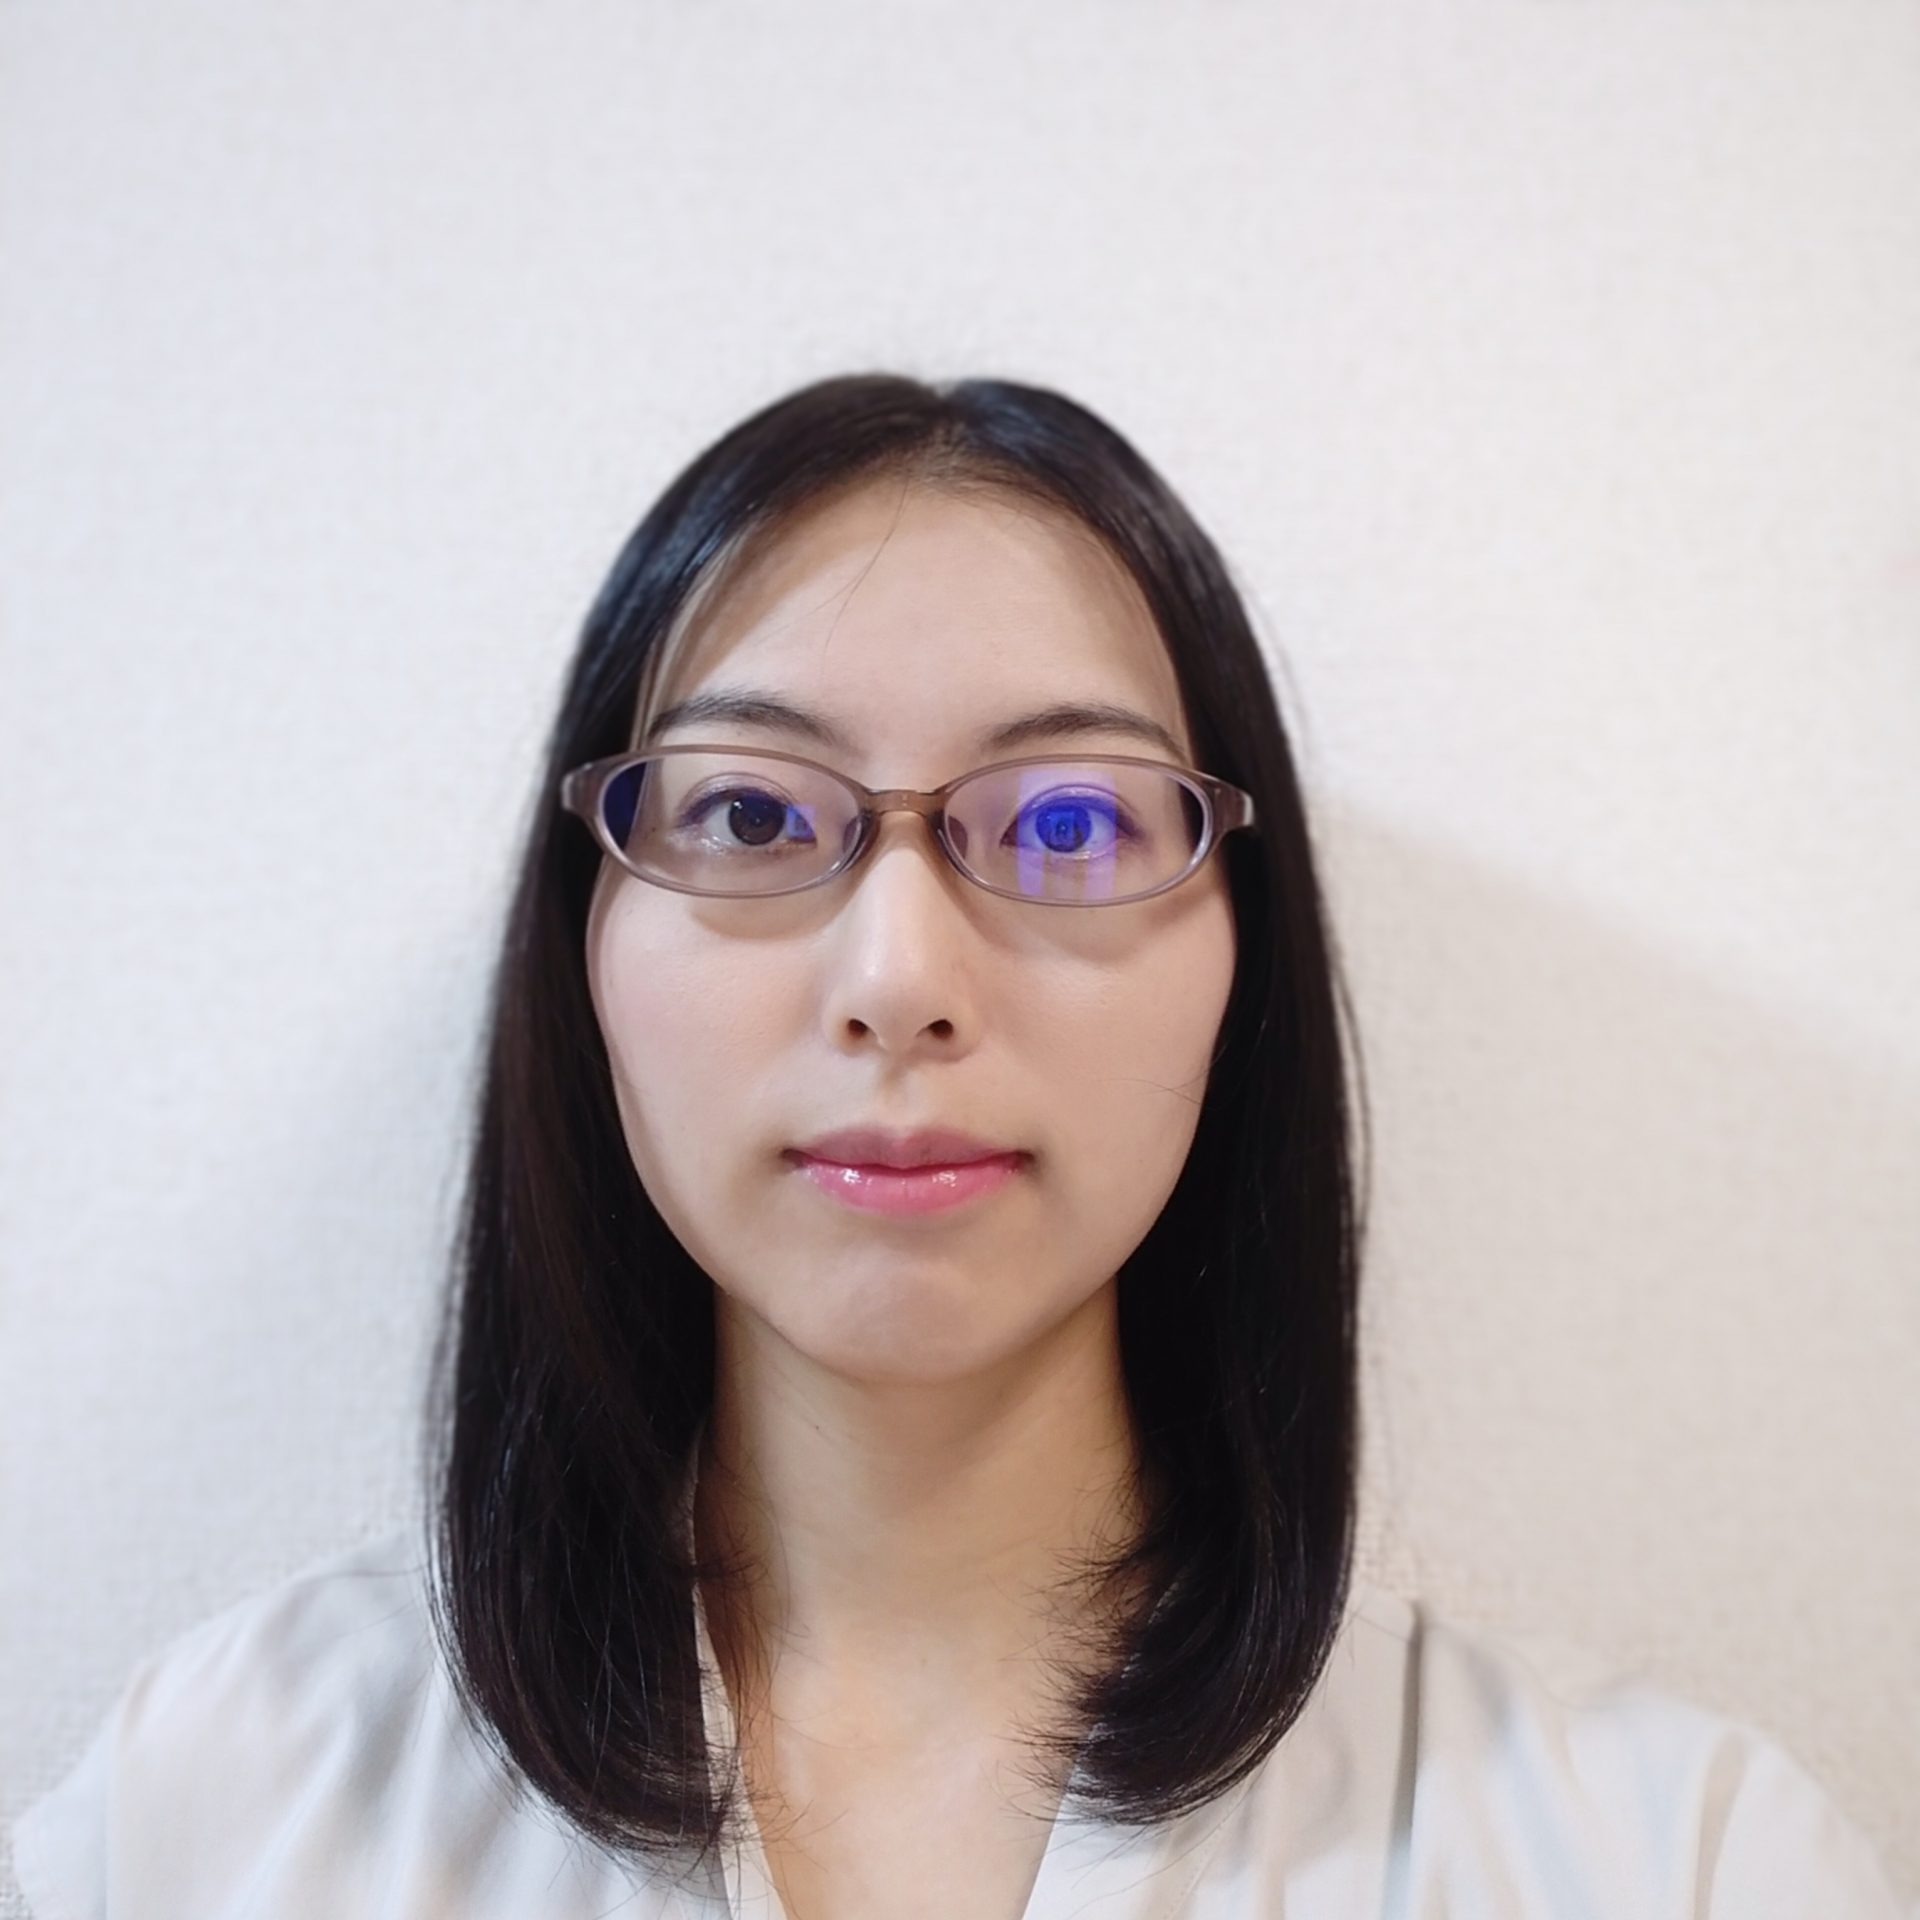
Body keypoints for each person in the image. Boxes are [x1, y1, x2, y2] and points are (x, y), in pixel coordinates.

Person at [10, 374, 1909, 1919]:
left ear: (1240, 967)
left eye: (1070, 824)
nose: (901, 979)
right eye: (753, 815)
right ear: (580, 950)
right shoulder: (210, 1812)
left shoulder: (1682, 1863)